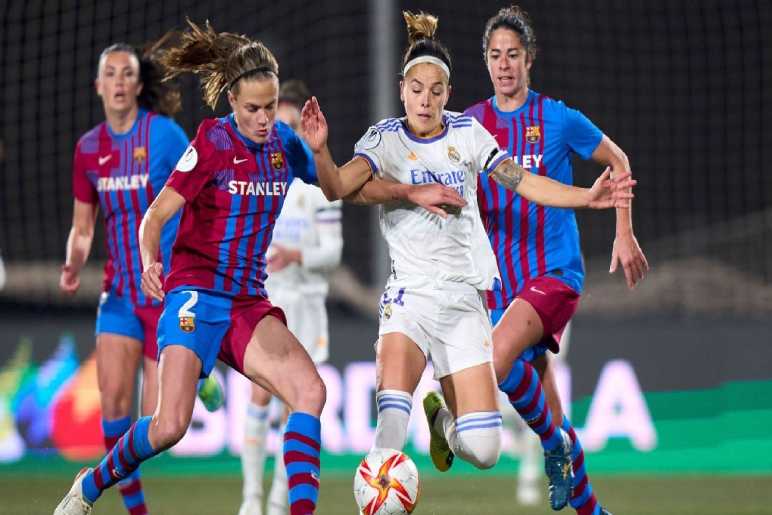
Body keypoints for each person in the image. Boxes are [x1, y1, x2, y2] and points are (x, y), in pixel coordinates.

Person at [299, 9, 634, 494]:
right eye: (416, 89)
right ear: (401, 90)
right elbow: (337, 188)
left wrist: (585, 197)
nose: (425, 99)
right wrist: (322, 152)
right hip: (409, 300)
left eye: (436, 90)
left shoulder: (469, 134)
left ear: (448, 93)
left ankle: (456, 430)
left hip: (466, 302)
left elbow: (524, 182)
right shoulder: (383, 139)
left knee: (483, 450)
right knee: (388, 432)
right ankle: (382, 494)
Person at [54, 20, 326, 515]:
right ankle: (93, 484)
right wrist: (140, 258)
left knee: (310, 391)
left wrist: (406, 188)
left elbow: (338, 183)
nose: (265, 118)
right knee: (166, 424)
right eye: (255, 108)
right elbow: (149, 216)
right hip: (184, 293)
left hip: (244, 300)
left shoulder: (269, 142)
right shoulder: (202, 142)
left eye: (270, 107)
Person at [463, 6, 649, 513]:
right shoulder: (472, 125)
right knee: (546, 399)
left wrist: (623, 232)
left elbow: (618, 161)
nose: (505, 66)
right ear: (486, 62)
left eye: (514, 56)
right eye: (496, 56)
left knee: (497, 361)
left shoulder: (558, 118)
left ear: (530, 60)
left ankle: (554, 446)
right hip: (503, 283)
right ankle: (591, 507)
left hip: (554, 272)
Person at [58, 40, 189, 515]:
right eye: (109, 73)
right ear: (98, 86)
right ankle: (137, 512)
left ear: (137, 84)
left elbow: (195, 196)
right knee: (113, 406)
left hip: (167, 291)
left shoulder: (166, 136)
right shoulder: (88, 149)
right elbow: (83, 226)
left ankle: (203, 374)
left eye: (126, 73)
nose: (118, 81)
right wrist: (73, 263)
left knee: (159, 424)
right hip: (119, 292)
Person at [239, 79, 343, 515]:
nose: (277, 129)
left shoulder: (318, 185)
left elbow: (333, 253)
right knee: (260, 396)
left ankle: (281, 501)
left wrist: (295, 253)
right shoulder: (259, 180)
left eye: (286, 122)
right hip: (267, 300)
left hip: (307, 305)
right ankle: (250, 499)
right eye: (273, 120)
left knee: (297, 403)